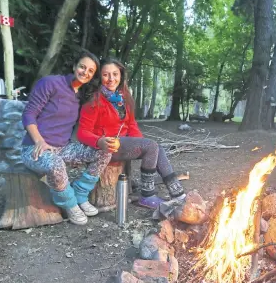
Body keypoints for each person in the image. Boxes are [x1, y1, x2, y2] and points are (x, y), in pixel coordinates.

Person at [77, 57, 185, 209]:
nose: (111, 79)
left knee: (155, 147)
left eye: (115, 74)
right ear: (99, 77)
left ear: (121, 75)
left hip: (122, 143)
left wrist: (142, 145)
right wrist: (99, 141)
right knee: (151, 146)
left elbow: (131, 124)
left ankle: (178, 194)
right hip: (104, 148)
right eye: (106, 75)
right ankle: (147, 195)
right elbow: (82, 132)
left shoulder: (123, 97)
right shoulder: (94, 100)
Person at [21, 50, 112, 225]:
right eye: (82, 67)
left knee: (103, 152)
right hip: (34, 148)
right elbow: (29, 114)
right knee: (55, 163)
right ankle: (69, 203)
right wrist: (40, 140)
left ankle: (80, 193)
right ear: (74, 66)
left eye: (90, 71)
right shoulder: (51, 83)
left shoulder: (81, 95)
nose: (85, 72)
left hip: (63, 148)